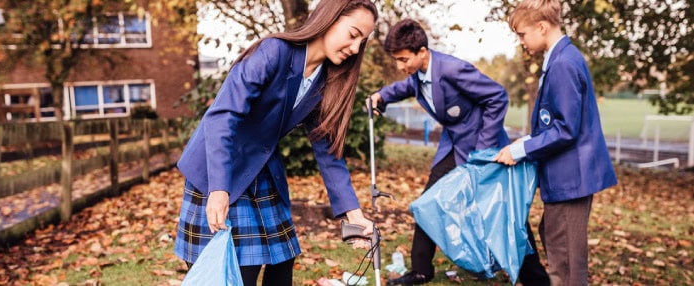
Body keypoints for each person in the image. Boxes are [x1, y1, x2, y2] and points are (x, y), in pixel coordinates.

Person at [174, 1, 378, 285]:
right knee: (236, 269)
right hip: (219, 166)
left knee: (282, 260)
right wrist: (218, 189)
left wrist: (353, 216)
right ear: (330, 18)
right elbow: (222, 117)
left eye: (362, 41)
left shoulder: (326, 80)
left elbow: (328, 152)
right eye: (353, 34)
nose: (356, 49)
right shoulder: (274, 52)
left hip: (260, 169)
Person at [368, 19, 550, 285]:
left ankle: (537, 281)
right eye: (396, 60)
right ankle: (421, 270)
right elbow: (404, 87)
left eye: (403, 59)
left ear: (422, 51)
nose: (399, 66)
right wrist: (381, 96)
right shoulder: (418, 75)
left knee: (505, 216)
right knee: (429, 202)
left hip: (485, 152)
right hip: (453, 148)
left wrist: (482, 152)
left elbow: (497, 97)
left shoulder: (453, 70)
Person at [494, 0, 618, 285]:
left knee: (566, 265)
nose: (520, 41)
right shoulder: (560, 58)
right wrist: (527, 141)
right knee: (552, 235)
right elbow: (558, 121)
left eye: (522, 34)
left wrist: (521, 149)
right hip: (568, 175)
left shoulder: (563, 63)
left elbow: (565, 129)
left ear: (541, 26)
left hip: (570, 177)